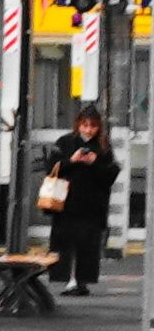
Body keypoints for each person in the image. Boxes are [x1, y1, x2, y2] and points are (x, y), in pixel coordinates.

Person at [41, 104, 121, 293]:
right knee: (66, 242)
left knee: (87, 244)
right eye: (85, 125)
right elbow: (52, 168)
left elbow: (109, 175)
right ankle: (68, 278)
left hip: (92, 204)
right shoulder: (65, 142)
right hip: (66, 202)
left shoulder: (103, 147)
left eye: (93, 126)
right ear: (78, 125)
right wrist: (72, 160)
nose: (88, 130)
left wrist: (95, 162)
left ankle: (81, 280)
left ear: (98, 127)